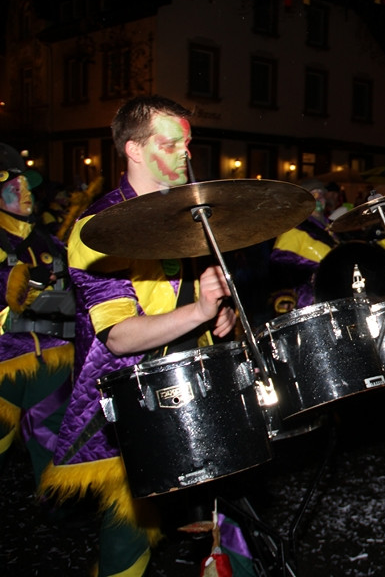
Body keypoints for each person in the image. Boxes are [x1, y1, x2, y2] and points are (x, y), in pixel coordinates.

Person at [40, 95, 237, 576]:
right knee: (129, 541)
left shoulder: (189, 212)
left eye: (188, 143)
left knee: (227, 526)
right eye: (170, 144)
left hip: (197, 384)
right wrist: (199, 310)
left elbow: (192, 300)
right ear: (132, 149)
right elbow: (121, 337)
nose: (185, 154)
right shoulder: (97, 229)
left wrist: (217, 316)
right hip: (131, 403)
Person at [0, 164, 74, 488]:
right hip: (4, 358)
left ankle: (57, 503)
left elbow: (74, 285)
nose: (25, 193)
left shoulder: (48, 242)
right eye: (14, 187)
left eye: (27, 186)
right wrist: (27, 280)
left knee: (48, 432)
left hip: (52, 351)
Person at [269, 178, 338, 314]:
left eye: (322, 195)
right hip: (308, 302)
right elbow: (279, 264)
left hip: (332, 297)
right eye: (314, 195)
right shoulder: (296, 228)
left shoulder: (333, 228)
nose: (319, 198)